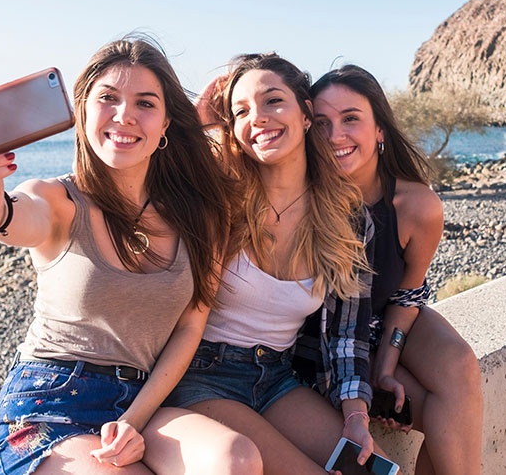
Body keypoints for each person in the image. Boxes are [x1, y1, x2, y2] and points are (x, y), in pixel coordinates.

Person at [0, 37, 262, 475]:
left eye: (145, 103)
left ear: (164, 126)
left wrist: (132, 421)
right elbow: (12, 217)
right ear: (82, 111)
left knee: (236, 459)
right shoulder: (57, 199)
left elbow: (191, 324)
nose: (124, 116)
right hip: (50, 401)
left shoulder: (201, 213)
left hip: (145, 400)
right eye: (107, 98)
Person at [166, 53, 389, 475]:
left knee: (373, 471)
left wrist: (355, 417)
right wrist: (199, 123)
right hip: (199, 375)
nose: (259, 118)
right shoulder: (218, 199)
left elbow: (348, 333)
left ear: (306, 114)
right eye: (242, 111)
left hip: (276, 376)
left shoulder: (348, 219)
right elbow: (146, 175)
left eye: (272, 101)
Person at [310, 65, 483, 475]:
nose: (335, 135)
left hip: (385, 321)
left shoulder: (415, 206)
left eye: (351, 118)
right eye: (321, 123)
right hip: (322, 338)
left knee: (459, 365)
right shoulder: (302, 198)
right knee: (434, 414)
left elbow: (407, 297)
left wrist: (386, 365)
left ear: (380, 130)